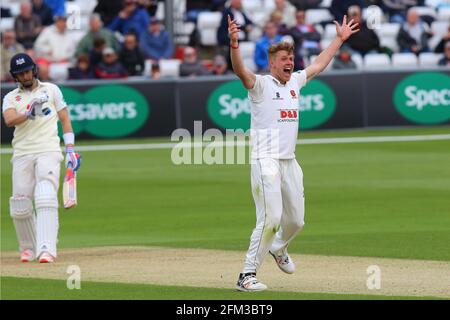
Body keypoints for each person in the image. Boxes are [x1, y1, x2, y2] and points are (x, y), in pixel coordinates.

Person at [228, 14, 359, 291]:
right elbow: (240, 71)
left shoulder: (295, 83)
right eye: (284, 59)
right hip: (266, 162)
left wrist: (338, 39)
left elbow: (319, 64)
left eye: (291, 58)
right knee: (270, 218)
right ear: (272, 63)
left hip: (289, 161)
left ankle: (278, 248)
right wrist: (235, 44)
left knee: (296, 220)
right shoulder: (261, 86)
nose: (290, 63)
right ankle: (246, 275)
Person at [2, 52, 80, 263]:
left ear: (34, 69)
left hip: (48, 150)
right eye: (20, 74)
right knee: (20, 204)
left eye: (27, 71)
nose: (25, 76)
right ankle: (28, 248)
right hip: (22, 153)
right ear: (15, 76)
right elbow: (9, 120)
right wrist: (28, 113)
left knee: (45, 194)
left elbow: (65, 119)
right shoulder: (10, 98)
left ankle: (47, 249)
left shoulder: (51, 89)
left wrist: (70, 148)